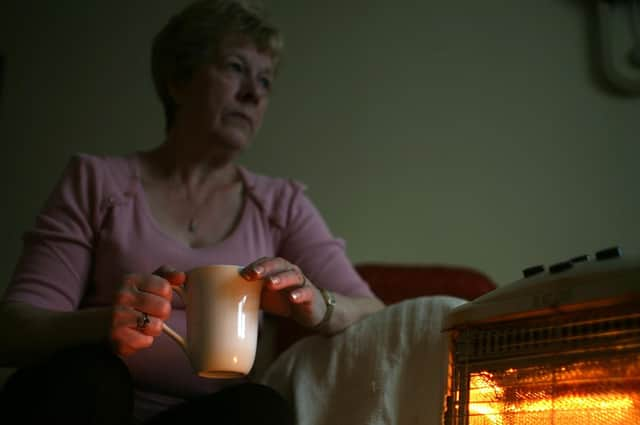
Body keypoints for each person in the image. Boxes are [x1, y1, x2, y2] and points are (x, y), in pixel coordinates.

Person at [0, 1, 385, 423]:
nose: (254, 93)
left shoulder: (281, 205)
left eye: (265, 81)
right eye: (236, 68)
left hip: (204, 417)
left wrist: (318, 305)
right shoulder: (97, 181)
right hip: (94, 402)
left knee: (261, 410)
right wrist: (104, 323)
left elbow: (374, 313)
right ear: (178, 82)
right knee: (91, 375)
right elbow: (14, 329)